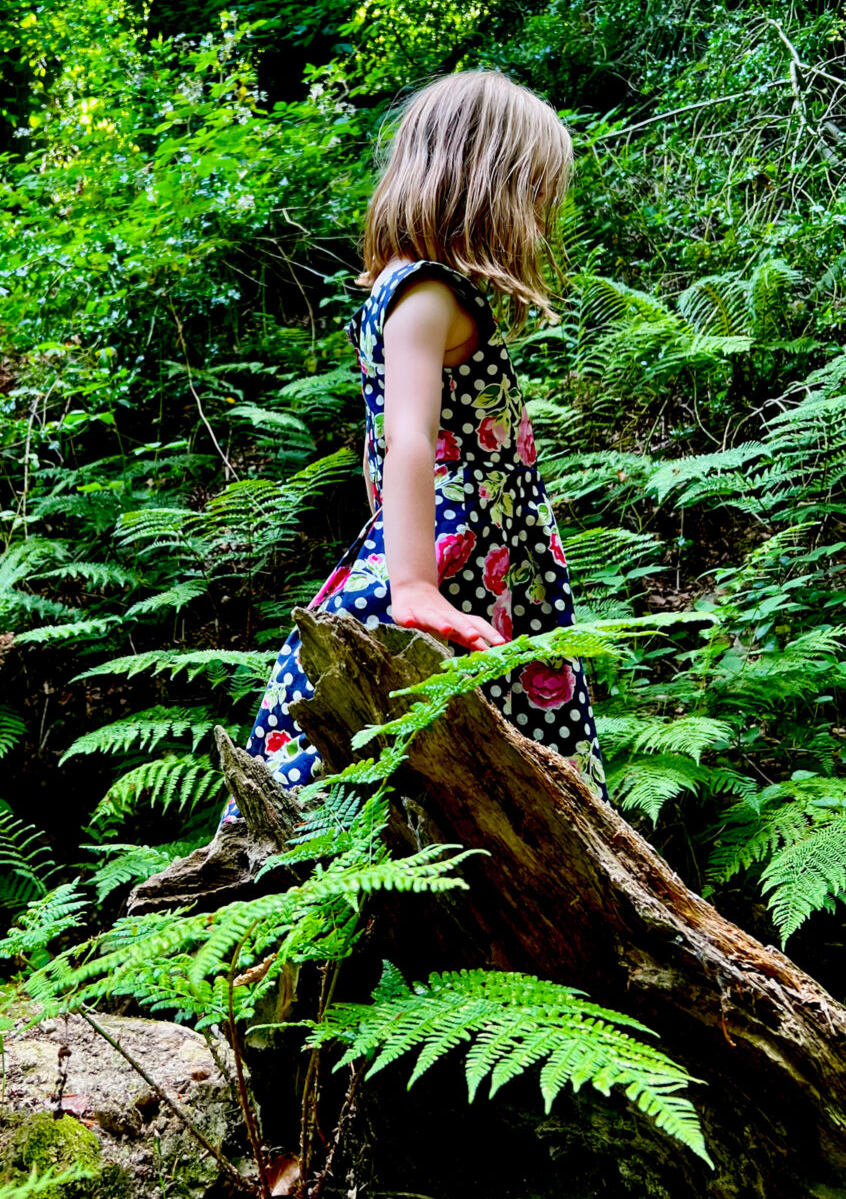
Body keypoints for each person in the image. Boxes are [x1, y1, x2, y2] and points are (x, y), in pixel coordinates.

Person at [219, 68, 608, 827]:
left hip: (475, 556)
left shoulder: (399, 291)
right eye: (532, 193)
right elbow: (406, 442)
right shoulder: (429, 296)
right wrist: (416, 584)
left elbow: (383, 448)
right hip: (460, 560)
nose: (537, 218)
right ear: (483, 184)